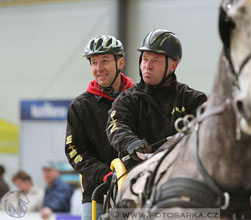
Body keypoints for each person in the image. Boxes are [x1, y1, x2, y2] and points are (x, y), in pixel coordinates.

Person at [106, 29, 207, 168]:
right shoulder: (127, 100)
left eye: (156, 60)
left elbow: (210, 130)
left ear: (173, 66)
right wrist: (131, 143)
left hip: (183, 169)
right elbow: (116, 126)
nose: (148, 66)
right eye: (145, 59)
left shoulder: (193, 99)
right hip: (138, 171)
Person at [64, 35, 134, 220]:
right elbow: (74, 150)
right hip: (97, 190)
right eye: (94, 62)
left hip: (136, 187)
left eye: (105, 61)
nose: (98, 68)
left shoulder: (138, 99)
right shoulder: (80, 106)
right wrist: (104, 174)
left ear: (121, 63)